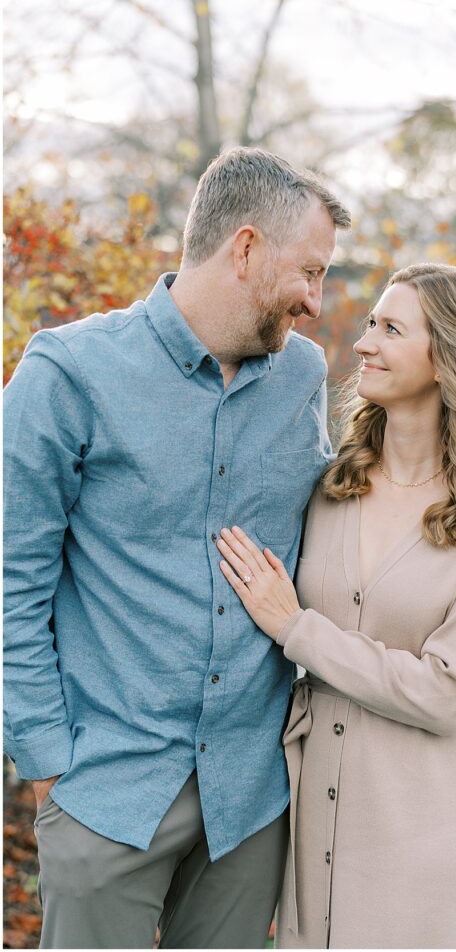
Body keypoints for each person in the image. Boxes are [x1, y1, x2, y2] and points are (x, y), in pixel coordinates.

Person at [3, 146, 351, 949]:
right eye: (309, 271)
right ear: (245, 249)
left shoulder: (301, 376)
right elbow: (9, 581)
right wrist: (48, 758)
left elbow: (334, 528)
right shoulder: (67, 373)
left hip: (250, 799)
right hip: (108, 790)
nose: (317, 302)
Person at [216, 262, 456, 950]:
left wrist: (296, 629)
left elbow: (448, 691)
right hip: (310, 811)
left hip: (416, 821)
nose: (363, 343)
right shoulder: (331, 483)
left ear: (448, 360)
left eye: (390, 329)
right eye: (369, 324)